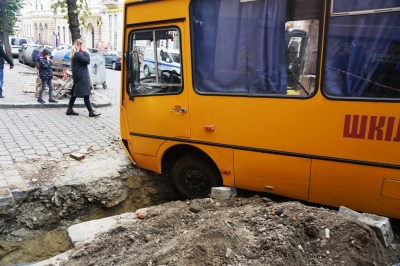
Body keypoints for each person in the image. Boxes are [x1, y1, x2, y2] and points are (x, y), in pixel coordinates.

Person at [66, 39, 100, 117]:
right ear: (79, 45)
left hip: (78, 76)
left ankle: (69, 109)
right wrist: (85, 52)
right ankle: (91, 112)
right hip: (81, 77)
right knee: (86, 94)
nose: (84, 47)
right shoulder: (78, 54)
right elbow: (87, 61)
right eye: (83, 45)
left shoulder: (76, 53)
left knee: (74, 94)